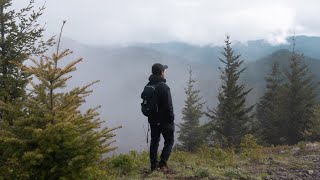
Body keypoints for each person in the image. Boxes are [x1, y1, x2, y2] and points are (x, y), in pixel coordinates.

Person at [146, 63, 175, 171]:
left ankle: (154, 165)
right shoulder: (164, 87)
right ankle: (162, 164)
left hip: (153, 120)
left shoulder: (149, 85)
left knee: (154, 141)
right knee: (169, 141)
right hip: (165, 121)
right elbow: (169, 105)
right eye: (164, 70)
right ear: (161, 72)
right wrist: (171, 119)